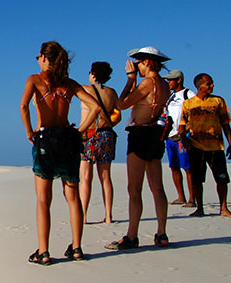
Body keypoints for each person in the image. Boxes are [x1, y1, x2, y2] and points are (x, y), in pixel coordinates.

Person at [19, 41, 102, 265]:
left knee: (43, 199)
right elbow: (95, 107)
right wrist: (80, 132)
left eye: (38, 56)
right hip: (67, 139)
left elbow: (24, 106)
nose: (37, 59)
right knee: (73, 197)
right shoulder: (69, 84)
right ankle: (76, 248)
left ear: (45, 58)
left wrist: (29, 131)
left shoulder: (35, 80)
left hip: (45, 138)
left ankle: (44, 251)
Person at [106, 46, 171, 250]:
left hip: (140, 134)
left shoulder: (147, 82)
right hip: (155, 135)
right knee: (157, 187)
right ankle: (162, 233)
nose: (137, 66)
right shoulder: (163, 84)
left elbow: (122, 103)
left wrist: (130, 79)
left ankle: (132, 236)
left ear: (147, 62)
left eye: (139, 63)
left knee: (135, 188)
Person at [179, 73, 231, 218]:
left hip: (216, 147)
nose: (212, 86)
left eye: (211, 83)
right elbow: (182, 124)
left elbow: (225, 123)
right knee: (197, 179)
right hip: (195, 146)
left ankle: (224, 207)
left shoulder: (218, 101)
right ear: (199, 86)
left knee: (222, 178)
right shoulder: (188, 104)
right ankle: (199, 208)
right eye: (209, 83)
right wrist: (183, 139)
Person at [79, 62, 121, 224]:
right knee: (105, 177)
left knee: (85, 177)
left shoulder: (85, 90)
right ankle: (109, 216)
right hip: (107, 135)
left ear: (94, 74)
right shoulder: (112, 93)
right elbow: (118, 115)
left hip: (89, 135)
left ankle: (83, 215)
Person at [161, 70, 196, 208]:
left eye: (171, 80)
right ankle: (181, 196)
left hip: (183, 136)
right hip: (170, 137)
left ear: (179, 80)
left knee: (188, 168)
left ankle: (192, 198)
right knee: (174, 167)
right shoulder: (170, 97)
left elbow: (195, 112)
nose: (168, 82)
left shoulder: (188, 94)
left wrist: (186, 129)